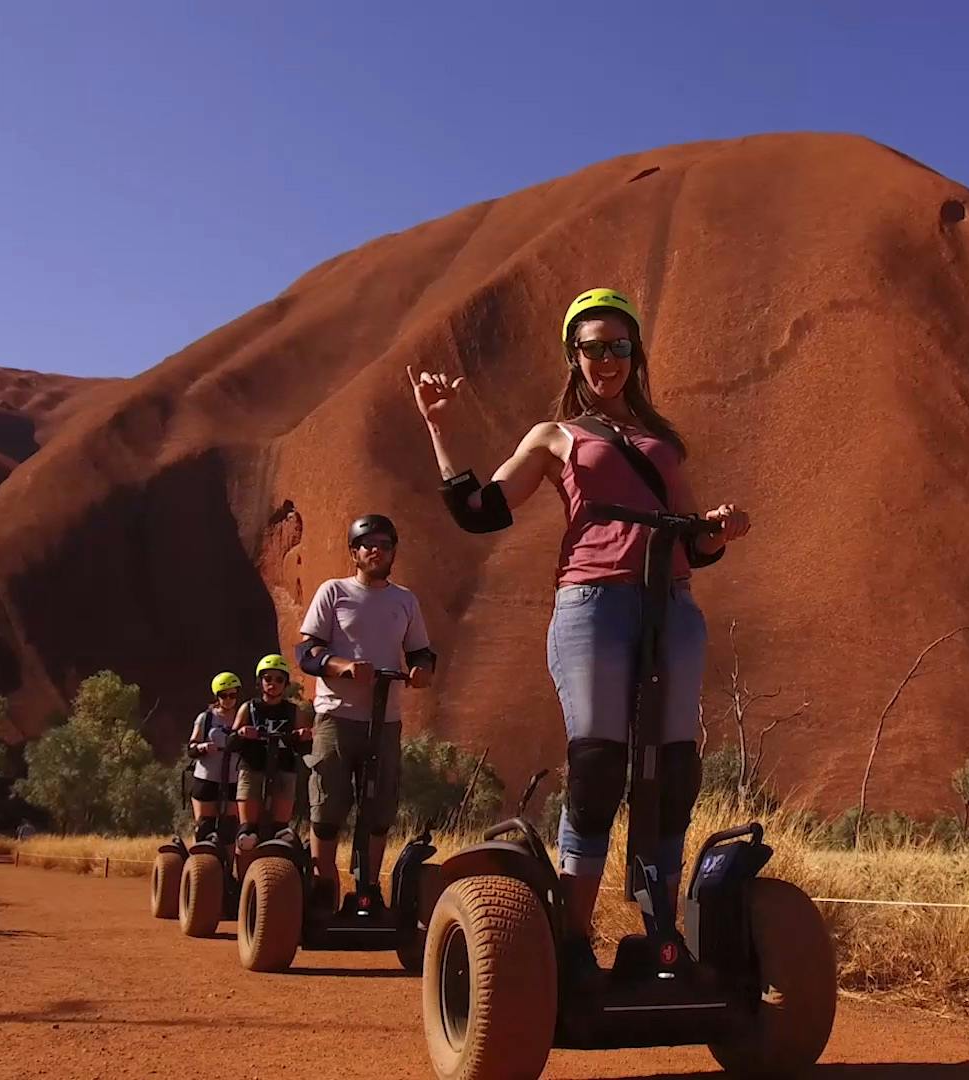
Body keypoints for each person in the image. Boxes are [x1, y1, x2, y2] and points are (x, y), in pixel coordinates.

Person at [408, 287, 751, 972]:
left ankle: (664, 940)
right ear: (574, 355)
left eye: (619, 346)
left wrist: (721, 529)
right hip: (594, 603)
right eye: (594, 347)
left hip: (672, 604)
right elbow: (480, 510)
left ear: (635, 354)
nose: (607, 360)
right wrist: (440, 429)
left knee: (674, 769)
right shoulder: (553, 437)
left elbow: (697, 544)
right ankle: (571, 940)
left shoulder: (663, 443)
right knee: (597, 766)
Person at [295, 515, 436, 915]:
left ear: (393, 552)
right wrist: (342, 667)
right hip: (337, 716)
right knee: (327, 806)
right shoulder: (334, 592)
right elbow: (307, 652)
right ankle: (323, 887)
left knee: (379, 808)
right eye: (368, 544)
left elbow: (422, 651)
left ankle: (368, 891)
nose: (376, 550)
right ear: (354, 552)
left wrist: (422, 670)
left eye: (384, 545)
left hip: (385, 719)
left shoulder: (405, 600)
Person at [230, 654, 312, 860]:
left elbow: (305, 746)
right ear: (260, 681)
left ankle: (279, 874)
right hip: (253, 769)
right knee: (247, 836)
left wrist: (304, 736)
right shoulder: (249, 708)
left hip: (284, 770)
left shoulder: (293, 711)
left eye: (279, 679)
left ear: (285, 683)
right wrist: (241, 733)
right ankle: (242, 877)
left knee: (281, 832)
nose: (273, 684)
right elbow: (231, 742)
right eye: (268, 678)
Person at [186, 672, 243, 842]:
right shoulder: (206, 718)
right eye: (224, 695)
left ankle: (227, 860)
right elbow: (191, 748)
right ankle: (199, 859)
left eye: (232, 695)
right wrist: (202, 747)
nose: (228, 699)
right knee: (204, 827)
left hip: (233, 780)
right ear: (217, 696)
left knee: (229, 829)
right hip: (207, 779)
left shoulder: (244, 717)